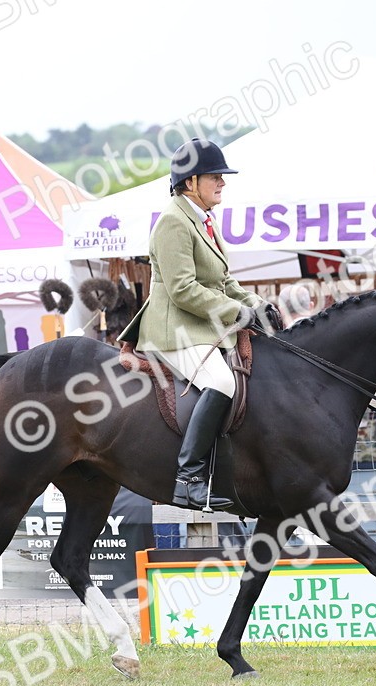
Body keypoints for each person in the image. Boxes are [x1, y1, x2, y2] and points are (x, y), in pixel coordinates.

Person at [118, 139, 278, 511]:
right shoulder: (173, 222)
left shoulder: (203, 220)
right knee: (221, 381)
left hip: (201, 326)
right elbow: (183, 290)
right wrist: (237, 314)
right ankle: (188, 478)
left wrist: (258, 305)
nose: (223, 183)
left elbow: (223, 282)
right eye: (215, 177)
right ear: (190, 182)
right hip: (174, 328)